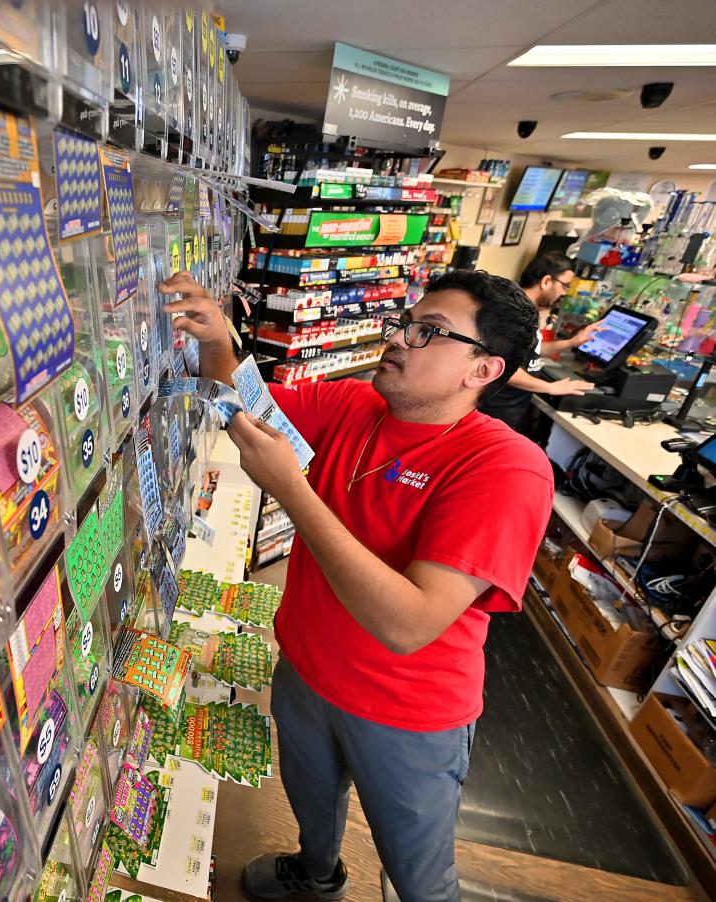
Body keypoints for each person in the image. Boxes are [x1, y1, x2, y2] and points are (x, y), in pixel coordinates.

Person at [162, 269, 554, 902]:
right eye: (405, 322)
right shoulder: (356, 406)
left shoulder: (507, 467)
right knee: (310, 810)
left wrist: (292, 490)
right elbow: (245, 404)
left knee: (417, 874)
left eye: (429, 332)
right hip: (306, 673)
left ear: (483, 369)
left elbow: (410, 622)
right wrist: (216, 340)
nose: (399, 339)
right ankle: (316, 876)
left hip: (408, 713)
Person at [478, 252, 607, 435]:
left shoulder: (527, 309)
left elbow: (529, 350)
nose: (564, 292)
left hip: (508, 411)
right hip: (494, 412)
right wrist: (551, 387)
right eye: (565, 285)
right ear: (546, 281)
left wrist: (571, 342)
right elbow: (502, 365)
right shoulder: (513, 312)